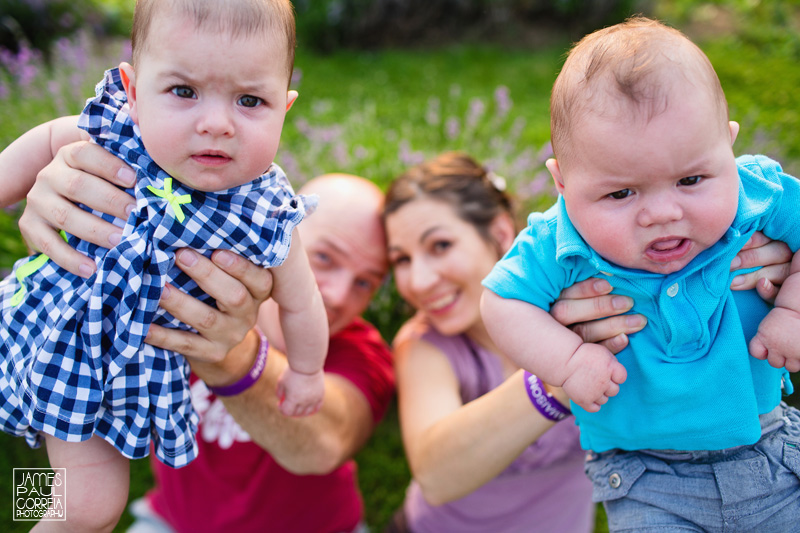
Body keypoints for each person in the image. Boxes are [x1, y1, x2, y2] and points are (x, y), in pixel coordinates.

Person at [0, 0, 327, 530]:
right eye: (184, 91)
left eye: (250, 100)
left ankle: (27, 511)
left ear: (284, 107)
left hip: (123, 372)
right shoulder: (119, 138)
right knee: (77, 494)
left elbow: (302, 299)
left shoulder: (267, 214)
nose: (217, 124)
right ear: (133, 92)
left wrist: (308, 372)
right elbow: (48, 138)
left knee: (85, 501)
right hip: (54, 330)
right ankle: (27, 509)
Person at [481, 17, 800, 531]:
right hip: (648, 478)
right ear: (563, 182)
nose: (661, 213)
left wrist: (793, 308)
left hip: (769, 450)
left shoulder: (758, 195)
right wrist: (569, 360)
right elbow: (501, 302)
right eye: (621, 193)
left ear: (729, 146)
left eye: (691, 179)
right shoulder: (557, 243)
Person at [380, 151, 794, 533]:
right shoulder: (425, 343)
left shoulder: (598, 272)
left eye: (440, 246)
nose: (419, 281)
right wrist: (556, 374)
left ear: (502, 232)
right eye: (401, 258)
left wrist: (750, 269)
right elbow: (435, 477)